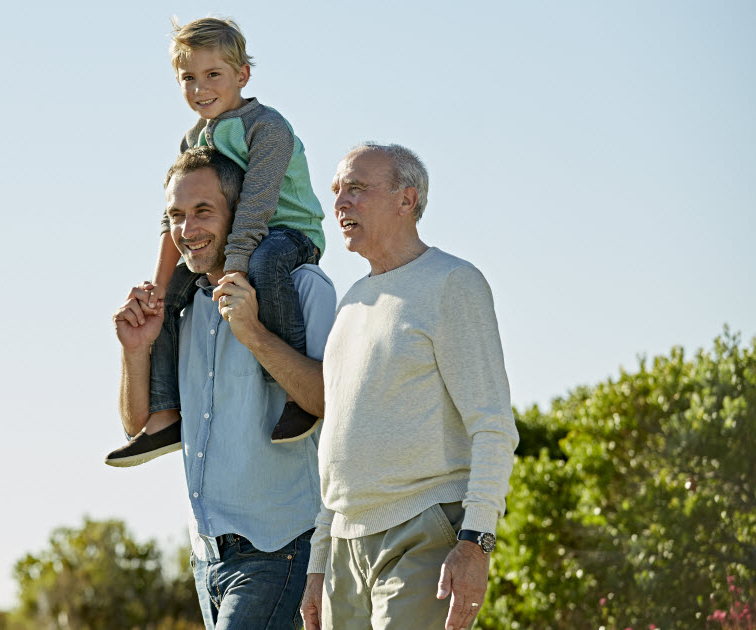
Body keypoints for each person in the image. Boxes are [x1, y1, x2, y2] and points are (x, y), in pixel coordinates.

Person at [113, 147, 336, 628]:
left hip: (283, 549)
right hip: (206, 559)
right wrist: (136, 350)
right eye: (176, 216)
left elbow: (324, 402)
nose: (187, 229)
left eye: (203, 212)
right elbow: (139, 423)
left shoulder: (302, 287)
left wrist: (253, 332)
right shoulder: (183, 309)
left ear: (241, 214)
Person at [299, 144, 519, 630]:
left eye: (357, 188)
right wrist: (318, 564)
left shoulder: (453, 282)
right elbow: (335, 450)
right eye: (337, 191)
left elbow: (493, 426)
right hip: (342, 548)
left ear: (407, 199)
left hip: (423, 534)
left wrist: (476, 540)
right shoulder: (351, 303)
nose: (340, 203)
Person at [105, 16, 328, 467]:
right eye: (188, 77)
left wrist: (234, 270)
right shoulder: (192, 139)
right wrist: (159, 286)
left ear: (242, 75)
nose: (199, 88)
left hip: (287, 232)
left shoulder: (267, 128)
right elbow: (175, 217)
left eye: (213, 75)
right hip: (238, 239)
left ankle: (295, 393)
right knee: (170, 298)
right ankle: (166, 415)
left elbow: (255, 207)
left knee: (265, 263)